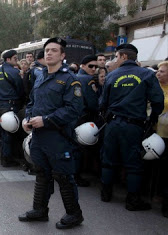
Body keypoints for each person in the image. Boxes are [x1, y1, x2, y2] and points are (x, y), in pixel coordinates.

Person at [19, 38, 84, 229]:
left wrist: (46, 120)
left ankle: (74, 214)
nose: (49, 53)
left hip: (59, 137)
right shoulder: (40, 76)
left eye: (54, 50)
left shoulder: (70, 79)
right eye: (47, 50)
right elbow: (32, 102)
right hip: (39, 136)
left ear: (62, 55)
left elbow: (74, 109)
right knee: (41, 173)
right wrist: (27, 119)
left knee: (63, 176)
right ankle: (39, 210)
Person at [99, 44, 164, 211]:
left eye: (116, 56)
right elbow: (157, 101)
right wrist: (153, 118)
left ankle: (105, 193)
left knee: (108, 159)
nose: (115, 59)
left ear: (124, 57)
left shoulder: (112, 75)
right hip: (133, 125)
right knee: (133, 163)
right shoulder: (147, 75)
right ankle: (132, 200)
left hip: (113, 124)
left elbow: (102, 103)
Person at [0, 49, 25, 167]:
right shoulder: (14, 72)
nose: (17, 60)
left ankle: (6, 156)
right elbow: (21, 89)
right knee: (10, 131)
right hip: (11, 105)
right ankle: (7, 158)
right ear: (8, 59)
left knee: (5, 132)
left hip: (0, 105)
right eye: (15, 58)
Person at [74, 55, 100, 187]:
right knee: (81, 149)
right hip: (85, 117)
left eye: (96, 67)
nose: (94, 69)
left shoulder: (74, 77)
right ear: (82, 66)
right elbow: (93, 103)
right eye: (91, 66)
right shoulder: (89, 80)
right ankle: (77, 175)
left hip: (74, 116)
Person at [155, 61, 168, 217]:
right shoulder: (154, 87)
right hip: (155, 133)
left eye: (162, 71)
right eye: (158, 70)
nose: (158, 73)